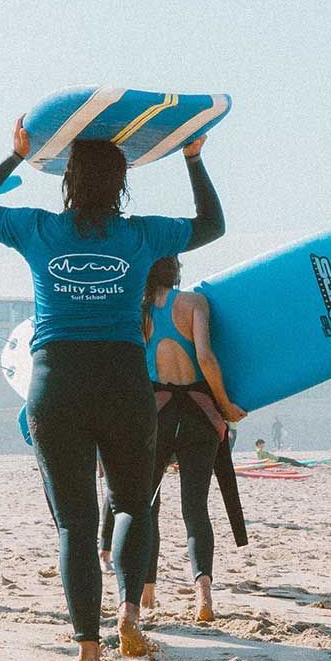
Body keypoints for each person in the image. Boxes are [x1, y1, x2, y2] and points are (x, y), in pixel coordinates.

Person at [0, 118, 223, 661]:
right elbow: (212, 225)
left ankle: (87, 647)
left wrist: (13, 156)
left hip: (57, 379)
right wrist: (193, 159)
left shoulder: (38, 229)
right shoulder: (142, 235)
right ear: (122, 182)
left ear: (67, 179)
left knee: (75, 522)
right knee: (132, 503)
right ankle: (128, 611)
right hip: (124, 378)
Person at [139, 257, 247, 622]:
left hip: (157, 415)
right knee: (195, 509)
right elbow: (205, 357)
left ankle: (146, 589)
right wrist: (226, 404)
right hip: (199, 414)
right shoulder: (195, 303)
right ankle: (203, 596)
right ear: (176, 271)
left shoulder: (138, 311)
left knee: (146, 505)